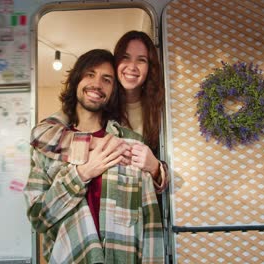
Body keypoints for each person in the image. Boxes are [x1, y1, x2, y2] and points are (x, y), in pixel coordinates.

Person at [25, 49, 164, 263]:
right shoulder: (48, 148)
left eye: (106, 79)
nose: (97, 84)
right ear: (76, 80)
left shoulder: (129, 143)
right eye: (90, 74)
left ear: (113, 91)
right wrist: (81, 174)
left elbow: (150, 222)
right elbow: (38, 217)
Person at [31, 30, 168, 193]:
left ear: (150, 67)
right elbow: (41, 134)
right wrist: (96, 142)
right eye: (125, 57)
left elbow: (155, 180)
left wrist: (155, 168)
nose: (132, 66)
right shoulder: (98, 105)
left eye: (141, 60)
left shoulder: (159, 109)